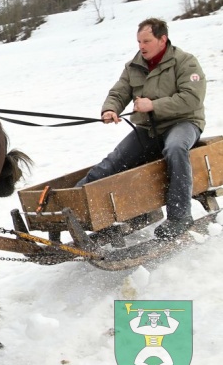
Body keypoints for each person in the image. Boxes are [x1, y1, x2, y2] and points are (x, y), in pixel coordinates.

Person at [76, 18, 206, 240]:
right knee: (114, 161)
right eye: (138, 41)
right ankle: (72, 208)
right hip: (149, 129)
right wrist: (110, 109)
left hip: (183, 123)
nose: (141, 46)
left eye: (146, 41)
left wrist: (153, 105)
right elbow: (119, 92)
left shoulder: (185, 62)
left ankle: (180, 216)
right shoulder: (133, 66)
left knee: (175, 148)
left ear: (162, 39)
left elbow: (192, 98)